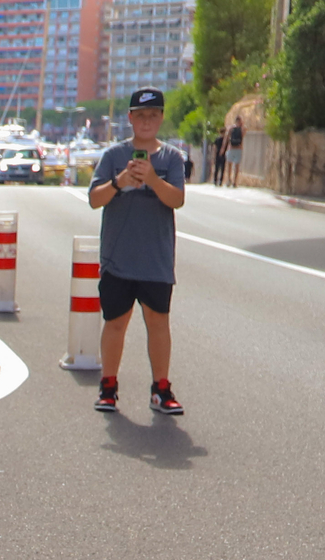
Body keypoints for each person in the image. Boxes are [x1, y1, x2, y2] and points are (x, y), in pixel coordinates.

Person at [88, 87, 188, 415]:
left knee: (158, 321)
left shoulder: (171, 158)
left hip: (156, 260)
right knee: (116, 321)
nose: (147, 122)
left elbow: (177, 200)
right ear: (130, 118)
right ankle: (108, 386)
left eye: (153, 115)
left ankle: (161, 389)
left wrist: (153, 181)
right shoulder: (113, 156)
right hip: (118, 259)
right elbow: (94, 199)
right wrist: (120, 182)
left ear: (161, 118)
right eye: (140, 115)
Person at [226, 116, 245, 187]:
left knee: (230, 165)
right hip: (238, 149)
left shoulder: (231, 128)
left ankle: (229, 180)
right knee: (236, 166)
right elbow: (244, 134)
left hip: (231, 148)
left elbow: (227, 137)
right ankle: (234, 181)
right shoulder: (242, 129)